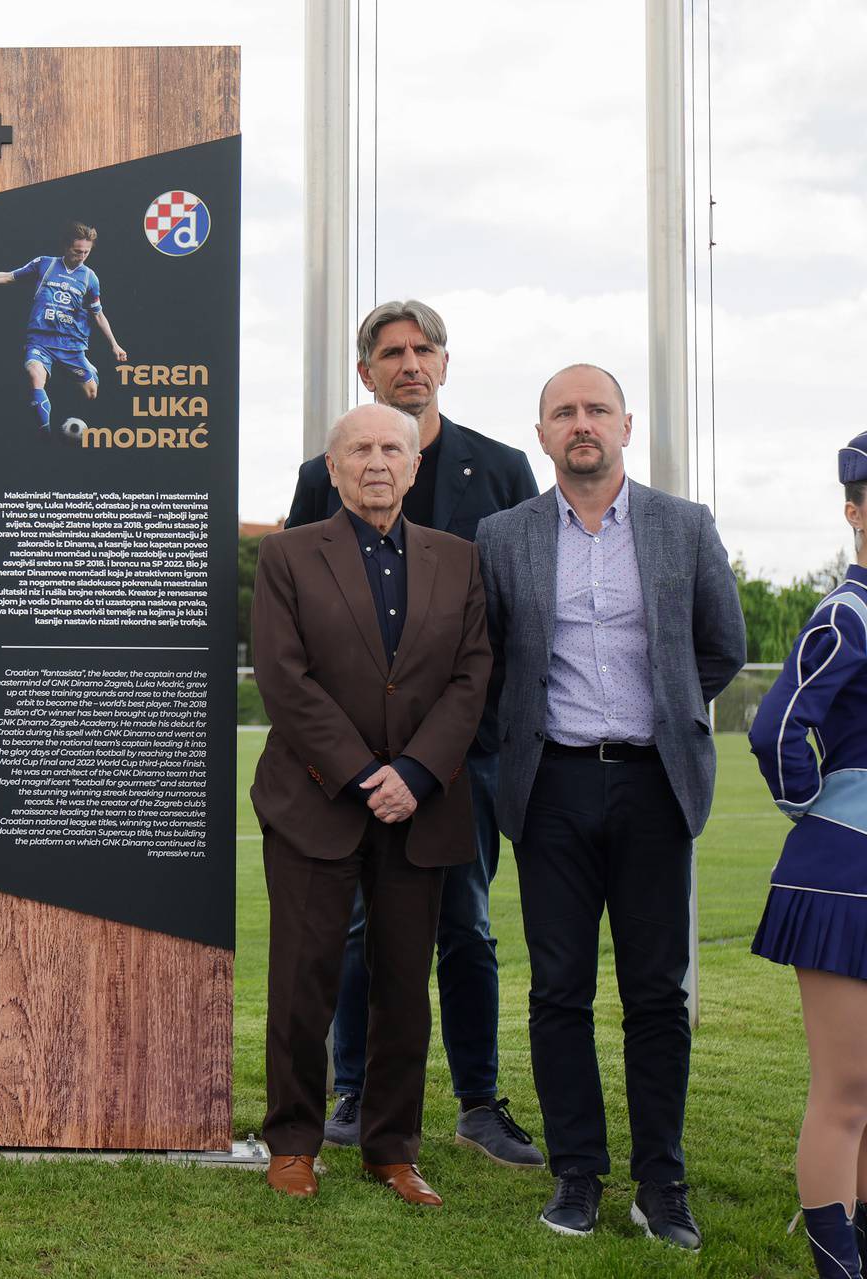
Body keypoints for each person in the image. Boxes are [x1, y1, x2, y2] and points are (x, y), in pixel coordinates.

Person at [476, 363, 744, 1249]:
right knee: (558, 990)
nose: (581, 423)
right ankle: (577, 1174)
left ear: (626, 425)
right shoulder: (503, 534)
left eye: (596, 409)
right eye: (564, 412)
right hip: (549, 786)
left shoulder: (683, 525)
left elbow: (721, 647)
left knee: (657, 994)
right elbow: (495, 663)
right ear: (543, 433)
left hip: (653, 783)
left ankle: (660, 1182)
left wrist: (661, 716)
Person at [285, 299, 543, 1166]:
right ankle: (353, 1090)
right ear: (367, 372)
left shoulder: (501, 470)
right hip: (348, 767)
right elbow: (301, 621)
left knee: (466, 924)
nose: (410, 363)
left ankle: (478, 1099)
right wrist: (358, 764)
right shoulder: (321, 474)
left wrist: (431, 758)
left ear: (444, 362)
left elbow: (509, 627)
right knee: (359, 929)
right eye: (391, 351)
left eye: (423, 349)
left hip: (455, 760)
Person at [251, 402, 490, 1207]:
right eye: (360, 449)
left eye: (393, 446)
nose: (378, 461)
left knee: (402, 985)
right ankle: (292, 1142)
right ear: (335, 466)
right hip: (316, 801)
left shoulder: (459, 559)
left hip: (420, 806)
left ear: (415, 464)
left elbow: (470, 676)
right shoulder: (287, 556)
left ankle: (391, 1147)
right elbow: (286, 679)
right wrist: (362, 773)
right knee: (302, 980)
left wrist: (416, 772)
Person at [747, 432, 867, 1278]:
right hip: (844, 875)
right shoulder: (848, 612)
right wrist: (815, 805)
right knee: (848, 1091)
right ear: (855, 509)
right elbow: (776, 725)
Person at [0, 221, 127, 442]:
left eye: (86, 252)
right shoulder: (45, 264)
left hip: (71, 345)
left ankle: (86, 365)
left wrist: (114, 345)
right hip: (40, 340)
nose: (81, 256)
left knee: (91, 393)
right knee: (34, 375)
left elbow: (98, 314)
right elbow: (9, 276)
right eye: (77, 251)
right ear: (65, 247)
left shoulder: (90, 278)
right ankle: (46, 435)